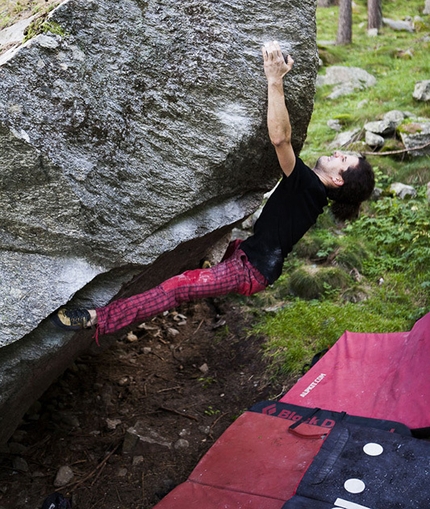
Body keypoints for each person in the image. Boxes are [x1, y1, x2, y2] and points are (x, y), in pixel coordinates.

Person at [53, 41, 375, 337]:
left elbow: (280, 139)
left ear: (338, 180)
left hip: (249, 270)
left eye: (342, 159)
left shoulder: (308, 186)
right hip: (248, 257)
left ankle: (98, 319)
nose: (336, 153)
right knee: (215, 242)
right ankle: (209, 266)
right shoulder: (309, 191)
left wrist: (274, 79)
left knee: (179, 288)